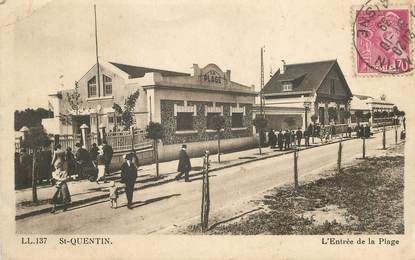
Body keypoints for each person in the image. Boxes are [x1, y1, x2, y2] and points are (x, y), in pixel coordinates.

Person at [50, 144, 71, 213]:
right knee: (64, 194)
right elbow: (65, 160)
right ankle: (64, 206)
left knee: (56, 194)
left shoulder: (56, 152)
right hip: (62, 180)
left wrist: (53, 164)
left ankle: (54, 208)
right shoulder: (63, 153)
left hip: (59, 181)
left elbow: (53, 160)